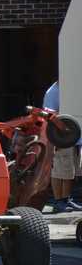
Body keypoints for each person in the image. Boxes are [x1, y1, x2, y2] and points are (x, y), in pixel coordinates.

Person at [43, 81, 82, 213]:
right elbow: (48, 114)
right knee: (60, 171)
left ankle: (66, 199)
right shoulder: (53, 92)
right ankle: (58, 201)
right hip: (61, 137)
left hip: (73, 137)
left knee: (70, 171)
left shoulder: (68, 90)